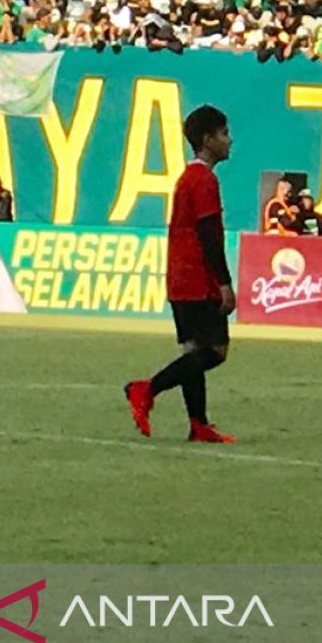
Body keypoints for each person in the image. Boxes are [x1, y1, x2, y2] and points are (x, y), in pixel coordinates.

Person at [124, 105, 237, 444]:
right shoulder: (204, 180)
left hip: (179, 278)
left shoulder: (187, 178)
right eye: (224, 134)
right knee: (215, 351)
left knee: (194, 351)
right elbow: (208, 235)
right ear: (207, 140)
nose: (229, 141)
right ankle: (147, 388)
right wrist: (224, 283)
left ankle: (198, 423)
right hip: (197, 279)